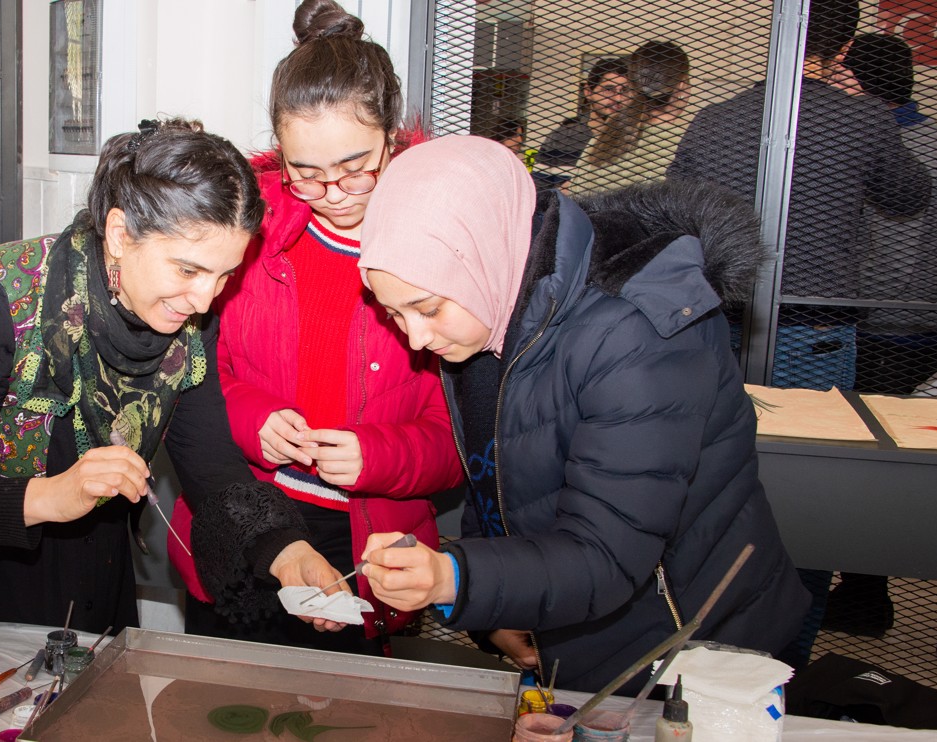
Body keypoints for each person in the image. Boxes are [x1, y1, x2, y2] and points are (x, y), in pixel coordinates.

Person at [354, 135, 809, 693]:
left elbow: (608, 554)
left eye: (427, 309)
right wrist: (494, 608)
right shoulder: (488, 306)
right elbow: (494, 474)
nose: (416, 338)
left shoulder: (638, 333)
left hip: (687, 645)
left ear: (485, 250)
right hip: (574, 624)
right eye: (394, 314)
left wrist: (456, 578)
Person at [0, 119, 271, 632]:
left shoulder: (185, 315)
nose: (206, 298)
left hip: (99, 570)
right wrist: (52, 495)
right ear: (119, 233)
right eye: (187, 270)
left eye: (225, 275)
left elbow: (209, 461)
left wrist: (284, 552)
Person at [170, 0, 463, 655]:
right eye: (306, 171)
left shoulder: (440, 246)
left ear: (393, 135)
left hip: (367, 535)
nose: (333, 190)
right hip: (247, 510)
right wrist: (254, 417)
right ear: (279, 152)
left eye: (356, 165)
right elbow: (199, 379)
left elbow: (466, 439)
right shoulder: (250, 230)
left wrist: (380, 455)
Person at [667, 0, 930, 392]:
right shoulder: (864, 119)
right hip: (816, 320)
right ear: (844, 48)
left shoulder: (714, 118)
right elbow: (908, 197)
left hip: (719, 317)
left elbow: (673, 212)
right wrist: (867, 109)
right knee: (810, 445)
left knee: (719, 440)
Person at [819, 33, 937, 640]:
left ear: (858, 79)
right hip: (919, 322)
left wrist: (845, 309)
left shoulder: (904, 145)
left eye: (841, 72)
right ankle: (865, 591)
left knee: (868, 466)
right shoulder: (928, 138)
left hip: (892, 328)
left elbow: (895, 259)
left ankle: (869, 595)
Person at [570, 41, 689, 193]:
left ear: (632, 88)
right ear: (682, 86)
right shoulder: (684, 144)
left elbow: (576, 193)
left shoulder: (607, 136)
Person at [536, 56, 630, 169]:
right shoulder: (563, 137)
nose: (618, 98)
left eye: (624, 90)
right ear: (588, 92)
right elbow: (539, 183)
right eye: (609, 90)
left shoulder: (635, 135)